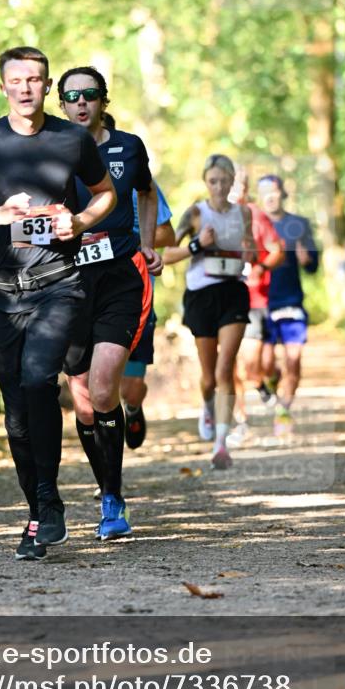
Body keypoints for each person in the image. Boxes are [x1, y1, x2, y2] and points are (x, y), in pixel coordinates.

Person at [0, 46, 116, 561]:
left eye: (35, 80)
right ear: (3, 87)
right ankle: (41, 508)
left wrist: (79, 222)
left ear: (46, 85)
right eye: (16, 80)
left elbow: (105, 194)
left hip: (59, 282)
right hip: (0, 293)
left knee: (40, 378)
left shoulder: (72, 139)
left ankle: (46, 504)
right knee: (16, 410)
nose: (26, 89)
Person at [58, 66, 161, 540]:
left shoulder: (129, 147)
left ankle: (114, 500)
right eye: (72, 96)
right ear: (61, 104)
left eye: (90, 95)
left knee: (103, 389)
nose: (81, 103)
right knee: (81, 402)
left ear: (103, 99)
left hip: (121, 274)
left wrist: (144, 240)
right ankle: (104, 489)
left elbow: (145, 190)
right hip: (68, 281)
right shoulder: (52, 150)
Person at [163, 154, 255, 469]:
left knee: (225, 369)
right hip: (201, 296)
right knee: (208, 378)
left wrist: (247, 249)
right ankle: (207, 405)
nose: (218, 186)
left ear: (232, 182)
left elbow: (253, 251)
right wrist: (197, 245)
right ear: (206, 182)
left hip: (233, 293)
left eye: (224, 180)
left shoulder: (243, 213)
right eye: (213, 181)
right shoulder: (195, 213)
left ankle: (221, 444)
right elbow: (166, 254)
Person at [256, 174, 319, 435]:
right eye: (265, 192)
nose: (270, 196)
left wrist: (306, 258)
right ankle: (273, 381)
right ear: (259, 197)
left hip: (292, 301)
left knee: (294, 360)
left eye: (275, 191)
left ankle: (284, 410)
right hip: (263, 302)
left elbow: (313, 266)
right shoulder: (253, 224)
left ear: (283, 193)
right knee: (266, 364)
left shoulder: (298, 224)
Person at [228, 167, 285, 445]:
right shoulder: (209, 216)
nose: (234, 191)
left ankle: (263, 384)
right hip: (223, 299)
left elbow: (277, 249)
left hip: (254, 299)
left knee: (253, 367)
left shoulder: (256, 215)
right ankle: (241, 420)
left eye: (239, 185)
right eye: (230, 184)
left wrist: (261, 267)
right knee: (228, 367)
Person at [122, 182, 175, 449]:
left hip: (136, 298)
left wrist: (127, 239)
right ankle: (107, 477)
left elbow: (168, 235)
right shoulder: (69, 171)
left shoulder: (136, 177)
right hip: (87, 299)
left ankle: (132, 408)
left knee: (129, 390)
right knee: (93, 393)